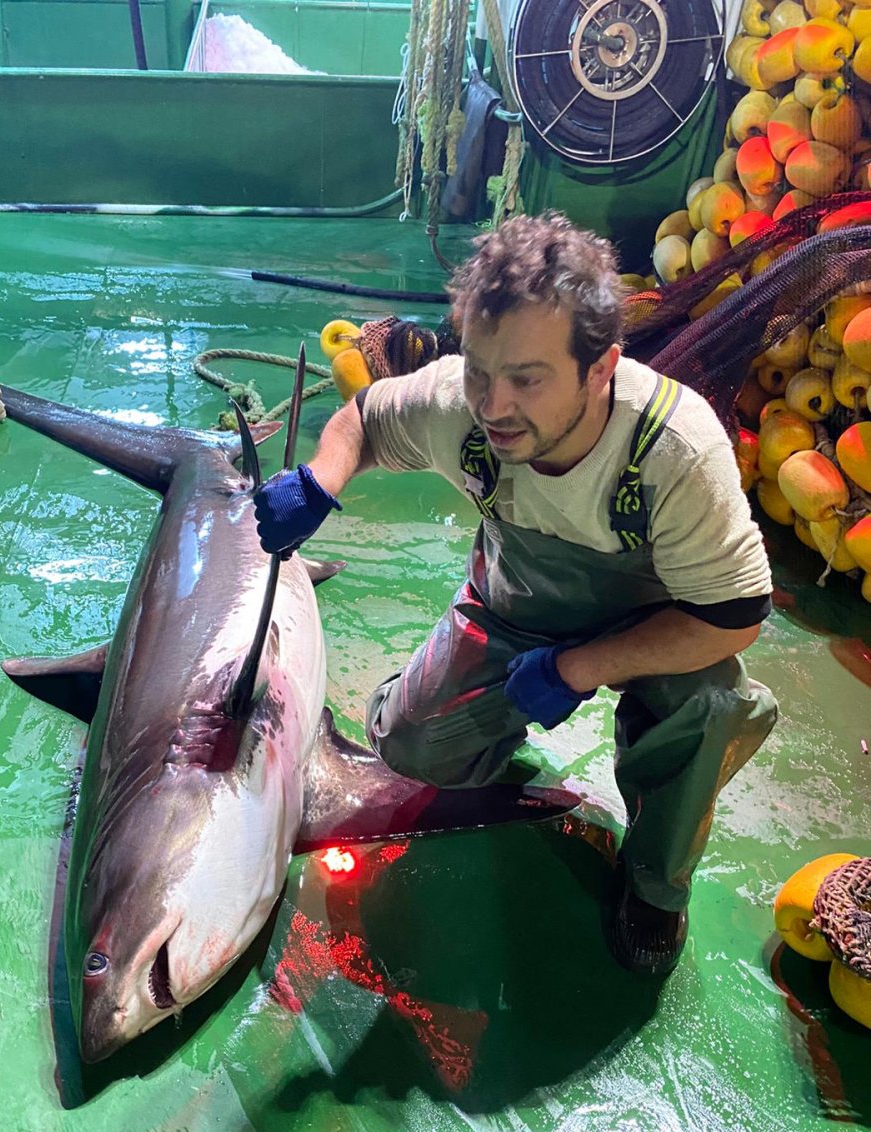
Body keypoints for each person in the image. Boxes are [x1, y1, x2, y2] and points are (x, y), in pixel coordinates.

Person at [253, 212, 777, 976]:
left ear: (601, 368)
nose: (493, 406)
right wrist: (320, 479)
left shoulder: (674, 447)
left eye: (528, 379)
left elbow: (732, 617)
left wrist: (576, 670)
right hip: (514, 607)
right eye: (479, 372)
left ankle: (658, 887)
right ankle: (494, 737)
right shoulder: (461, 404)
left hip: (660, 627)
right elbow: (361, 418)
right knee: (409, 742)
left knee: (705, 707)